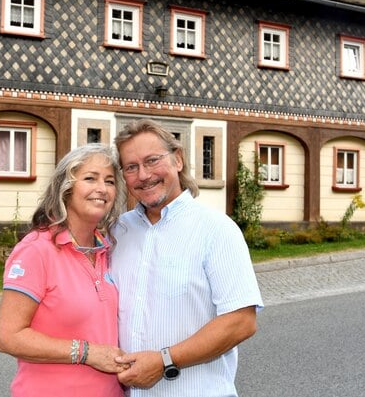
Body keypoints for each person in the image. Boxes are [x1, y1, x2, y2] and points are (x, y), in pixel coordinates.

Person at [111, 119, 264, 396]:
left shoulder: (216, 229)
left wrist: (164, 360)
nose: (143, 175)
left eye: (152, 160)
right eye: (131, 167)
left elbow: (241, 321)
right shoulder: (117, 232)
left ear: (178, 159)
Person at [0, 143, 129, 396]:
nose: (102, 188)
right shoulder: (36, 250)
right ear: (65, 187)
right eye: (90, 178)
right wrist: (87, 352)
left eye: (110, 181)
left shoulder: (107, 249)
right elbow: (8, 337)